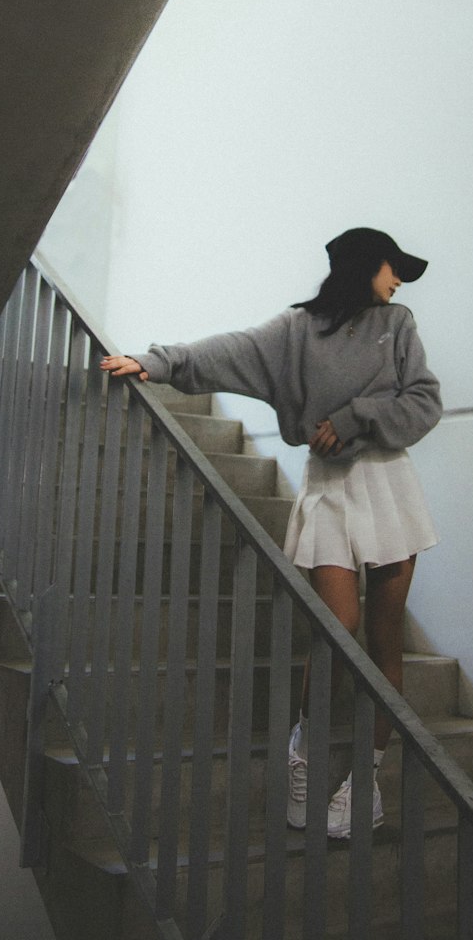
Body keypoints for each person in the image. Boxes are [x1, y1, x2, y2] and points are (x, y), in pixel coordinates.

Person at [100, 227, 442, 839]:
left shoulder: (399, 323)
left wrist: (354, 415)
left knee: (387, 636)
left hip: (388, 483)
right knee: (337, 631)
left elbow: (424, 402)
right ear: (366, 266)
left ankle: (364, 781)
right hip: (330, 488)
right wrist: (155, 362)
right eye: (393, 269)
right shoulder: (295, 331)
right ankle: (305, 758)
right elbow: (224, 352)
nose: (397, 282)